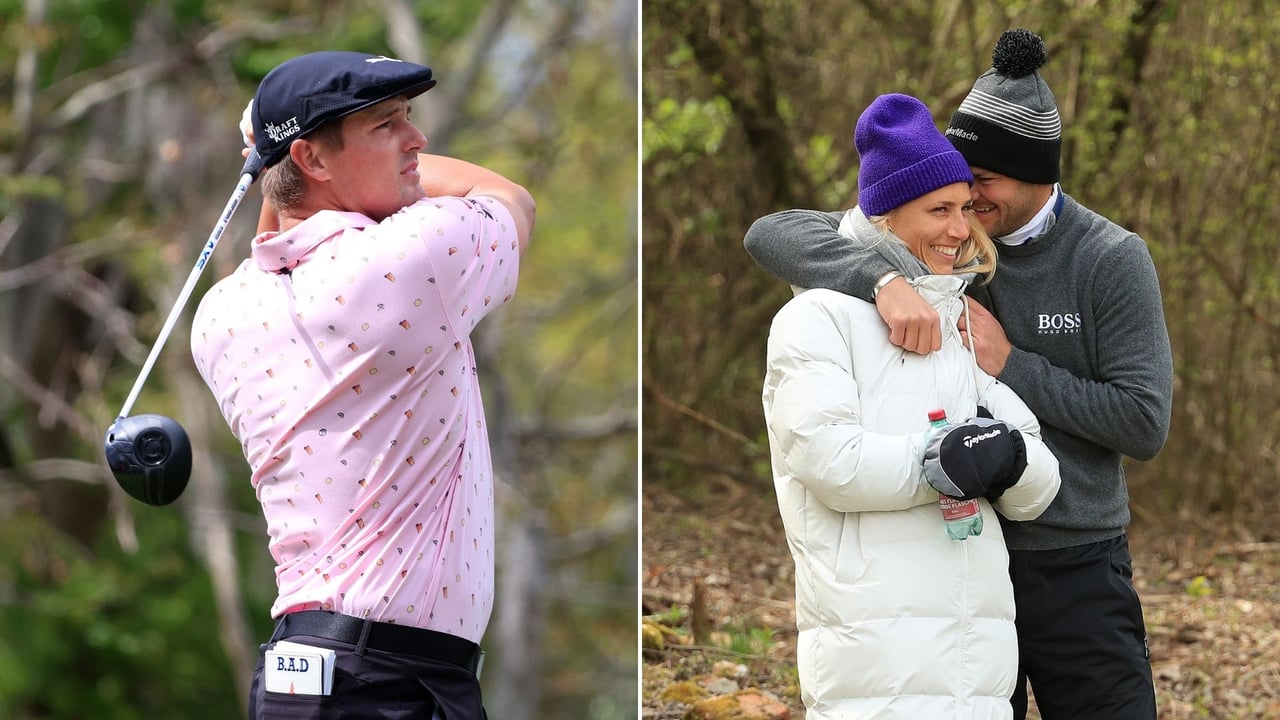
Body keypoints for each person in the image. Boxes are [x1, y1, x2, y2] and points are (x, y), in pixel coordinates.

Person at [746, 29, 1172, 720]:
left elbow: (1143, 423)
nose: (965, 207)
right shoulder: (932, 240)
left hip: (1073, 553)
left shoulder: (1111, 258)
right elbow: (775, 232)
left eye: (980, 185)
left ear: (1038, 174)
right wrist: (883, 278)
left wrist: (1012, 366)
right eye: (950, 191)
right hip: (965, 559)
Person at [190, 51, 536, 719]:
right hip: (396, 685)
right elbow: (508, 198)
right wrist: (281, 154)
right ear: (316, 160)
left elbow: (280, 232)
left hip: (298, 680)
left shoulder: (221, 314)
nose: (417, 141)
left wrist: (278, 162)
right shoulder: (410, 260)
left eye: (409, 117)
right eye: (387, 125)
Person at [763, 92, 1061, 719]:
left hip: (976, 656)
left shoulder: (954, 317)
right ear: (887, 219)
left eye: (964, 209)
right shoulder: (816, 319)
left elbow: (1038, 478)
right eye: (939, 210)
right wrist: (944, 462)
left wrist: (1006, 462)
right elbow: (829, 463)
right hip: (874, 646)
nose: (961, 229)